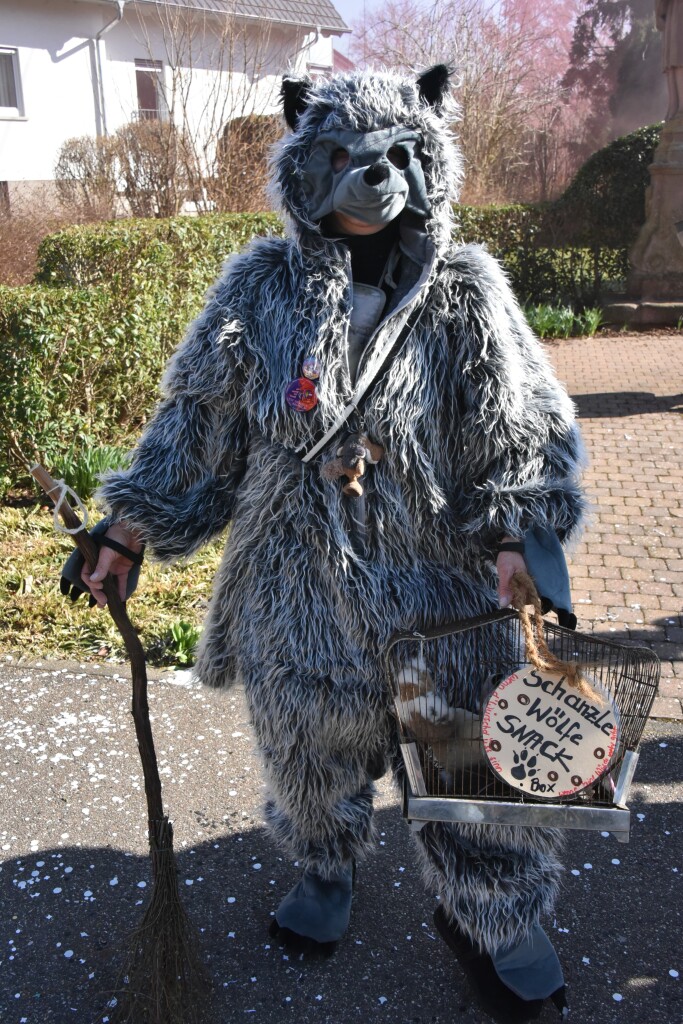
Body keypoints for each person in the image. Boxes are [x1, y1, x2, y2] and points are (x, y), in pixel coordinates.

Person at [62, 66, 586, 1023]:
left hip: (444, 588)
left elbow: (521, 424)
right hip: (295, 581)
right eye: (342, 157)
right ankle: (325, 868)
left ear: (426, 164)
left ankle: (494, 912)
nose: (369, 177)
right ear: (307, 163)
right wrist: (130, 526)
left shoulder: (464, 292)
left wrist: (518, 534)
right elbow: (199, 423)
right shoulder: (260, 287)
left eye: (392, 159)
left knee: (468, 749)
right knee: (309, 752)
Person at [657, 0, 683, 120]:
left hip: (676, 13)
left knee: (677, 58)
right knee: (675, 59)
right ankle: (677, 108)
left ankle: (678, 108)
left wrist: (659, 13)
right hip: (675, 12)